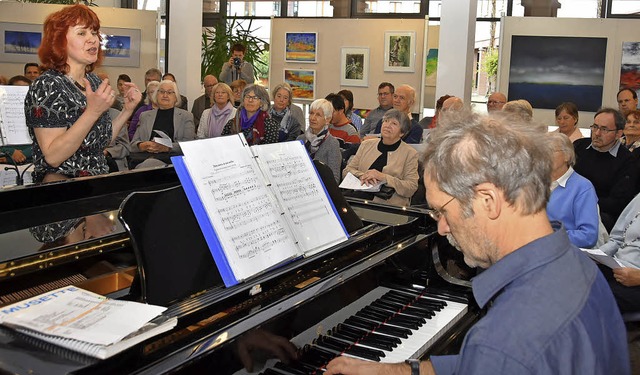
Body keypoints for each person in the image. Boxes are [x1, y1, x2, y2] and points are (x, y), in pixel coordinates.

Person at [326, 109, 630, 375]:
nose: (442, 228)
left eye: (442, 211)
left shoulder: (506, 340)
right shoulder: (579, 268)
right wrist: (398, 370)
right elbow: (480, 364)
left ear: (488, 200)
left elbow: (499, 357)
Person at [24, 4, 141, 181]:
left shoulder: (93, 81)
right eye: (82, 33)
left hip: (97, 183)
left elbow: (101, 140)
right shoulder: (47, 85)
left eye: (94, 32)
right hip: (63, 189)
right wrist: (92, 112)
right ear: (59, 41)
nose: (93, 39)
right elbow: (53, 157)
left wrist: (127, 110)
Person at [574, 108, 639, 231]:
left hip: (599, 213)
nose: (597, 133)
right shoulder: (579, 147)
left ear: (619, 134)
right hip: (569, 204)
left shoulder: (627, 161)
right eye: (595, 127)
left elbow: (618, 203)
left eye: (604, 129)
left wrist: (583, 202)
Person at [343, 108, 419, 207]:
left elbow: (411, 187)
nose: (387, 126)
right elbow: (346, 171)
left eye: (394, 123)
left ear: (402, 133)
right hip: (359, 198)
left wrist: (384, 177)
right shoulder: (366, 144)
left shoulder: (410, 153)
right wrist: (363, 175)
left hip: (388, 204)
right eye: (386, 121)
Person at [547, 132, 599, 248]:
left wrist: (548, 237)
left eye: (550, 151)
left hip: (562, 252)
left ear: (567, 156)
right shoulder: (535, 182)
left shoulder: (582, 187)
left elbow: (588, 236)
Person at [130, 79, 195, 165]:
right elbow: (133, 145)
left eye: (169, 92)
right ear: (156, 95)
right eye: (161, 92)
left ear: (176, 97)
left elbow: (189, 145)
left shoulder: (186, 116)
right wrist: (143, 145)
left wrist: (167, 147)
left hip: (172, 160)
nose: (165, 95)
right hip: (145, 157)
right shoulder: (145, 116)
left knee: (149, 164)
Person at [599, 192, 640, 313]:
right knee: (573, 281)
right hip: (617, 266)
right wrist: (599, 255)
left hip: (636, 278)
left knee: (592, 299)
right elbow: (617, 237)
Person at [297, 98, 341, 183]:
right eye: (311, 113)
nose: (312, 118)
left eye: (318, 115)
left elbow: (335, 179)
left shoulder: (332, 143)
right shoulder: (300, 139)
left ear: (327, 120)